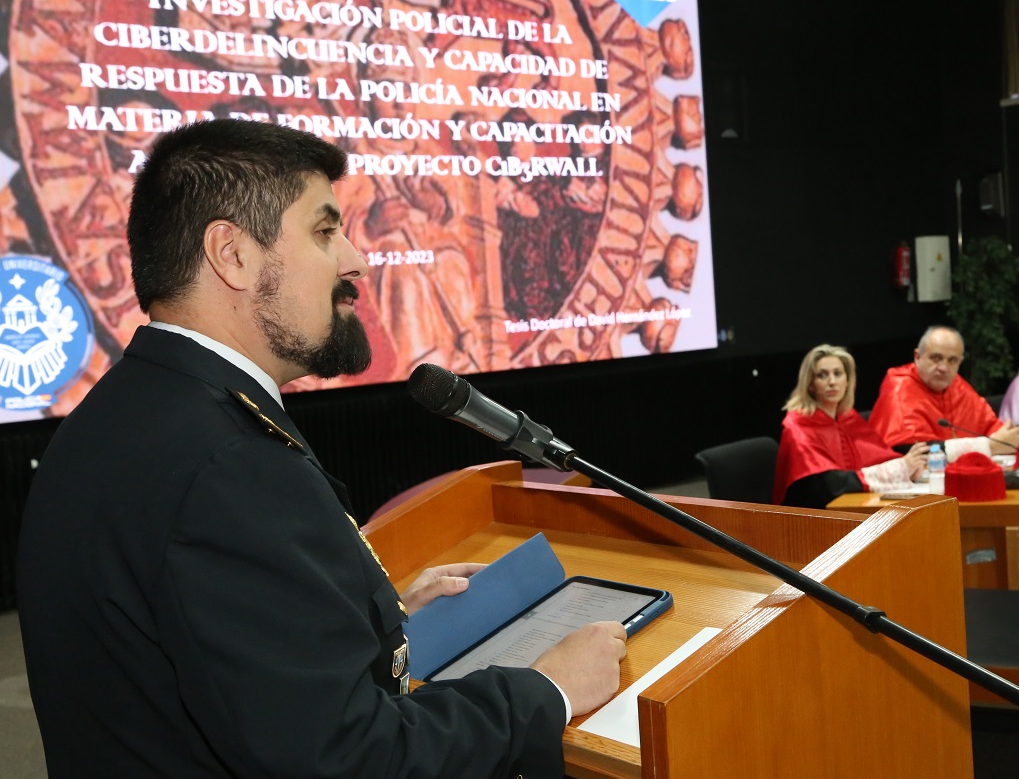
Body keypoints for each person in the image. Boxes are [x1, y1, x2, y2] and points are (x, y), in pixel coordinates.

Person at [16, 119, 627, 778]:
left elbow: (216, 652)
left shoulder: (126, 413)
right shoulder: (228, 464)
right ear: (233, 255)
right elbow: (346, 758)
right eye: (325, 230)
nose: (356, 260)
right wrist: (547, 691)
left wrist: (369, 625)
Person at [773, 345, 929, 508]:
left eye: (838, 374)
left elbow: (879, 457)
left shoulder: (848, 417)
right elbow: (831, 487)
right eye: (822, 375)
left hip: (853, 507)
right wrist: (900, 469)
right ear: (810, 384)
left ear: (848, 381)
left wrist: (909, 467)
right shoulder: (797, 426)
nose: (832, 382)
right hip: (815, 518)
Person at [870, 326, 1019, 461]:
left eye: (952, 360)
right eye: (936, 358)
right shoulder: (900, 388)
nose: (944, 368)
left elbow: (991, 427)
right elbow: (917, 451)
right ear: (917, 356)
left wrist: (1010, 437)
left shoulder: (956, 384)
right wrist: (989, 446)